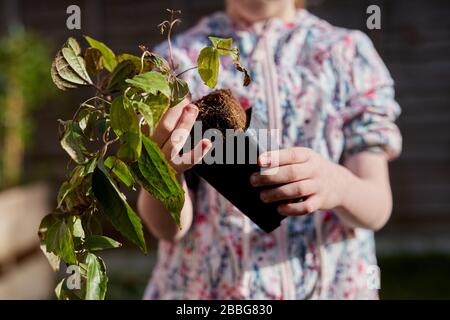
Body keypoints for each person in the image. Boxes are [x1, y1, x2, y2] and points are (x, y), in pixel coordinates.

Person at [138, 0, 402, 299]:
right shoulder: (178, 62)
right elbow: (168, 229)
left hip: (331, 288)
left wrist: (337, 185)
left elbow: (376, 208)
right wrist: (164, 173)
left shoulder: (347, 55)